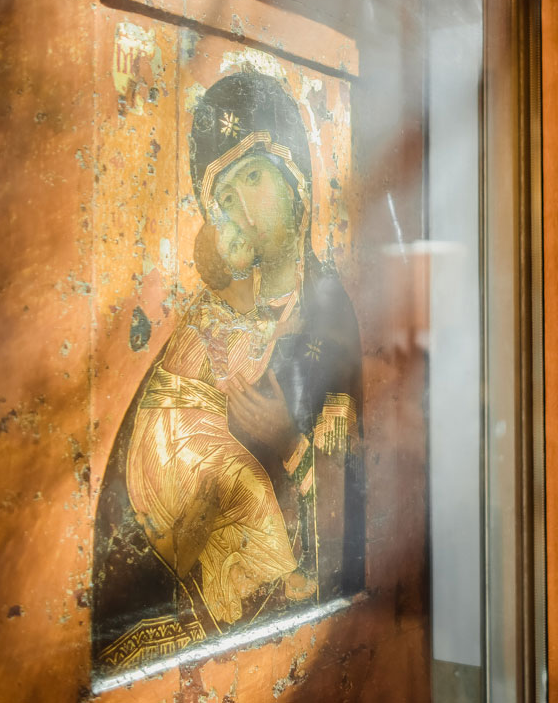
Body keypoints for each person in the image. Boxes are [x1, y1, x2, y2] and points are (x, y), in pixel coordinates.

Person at [92, 72, 365, 675]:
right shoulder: (210, 312)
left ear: (294, 175)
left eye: (252, 176)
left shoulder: (328, 316)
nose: (240, 205)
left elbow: (360, 499)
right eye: (225, 195)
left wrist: (286, 445)